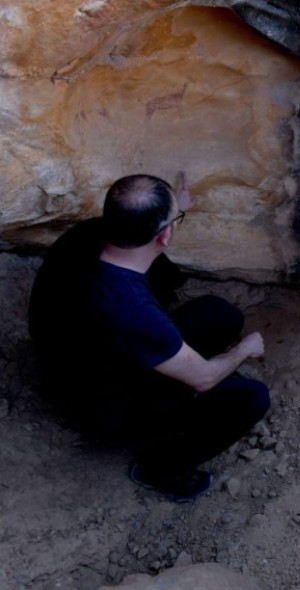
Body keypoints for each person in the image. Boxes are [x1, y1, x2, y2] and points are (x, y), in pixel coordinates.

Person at [29, 173, 270, 503]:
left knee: (221, 315)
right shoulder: (131, 308)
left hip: (69, 356)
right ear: (164, 234)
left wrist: (175, 209)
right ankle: (159, 470)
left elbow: (150, 239)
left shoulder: (90, 233)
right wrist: (245, 349)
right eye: (175, 218)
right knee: (252, 398)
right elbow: (204, 378)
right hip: (104, 406)